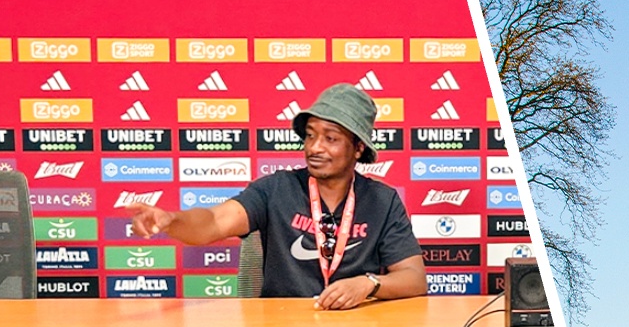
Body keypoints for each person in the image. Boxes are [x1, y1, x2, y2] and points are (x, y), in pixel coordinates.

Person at [125, 84, 426, 308]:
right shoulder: (275, 190)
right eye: (310, 135)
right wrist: (171, 220)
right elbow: (215, 221)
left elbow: (414, 278)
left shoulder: (382, 201)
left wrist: (368, 284)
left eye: (331, 138)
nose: (315, 147)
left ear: (358, 147)